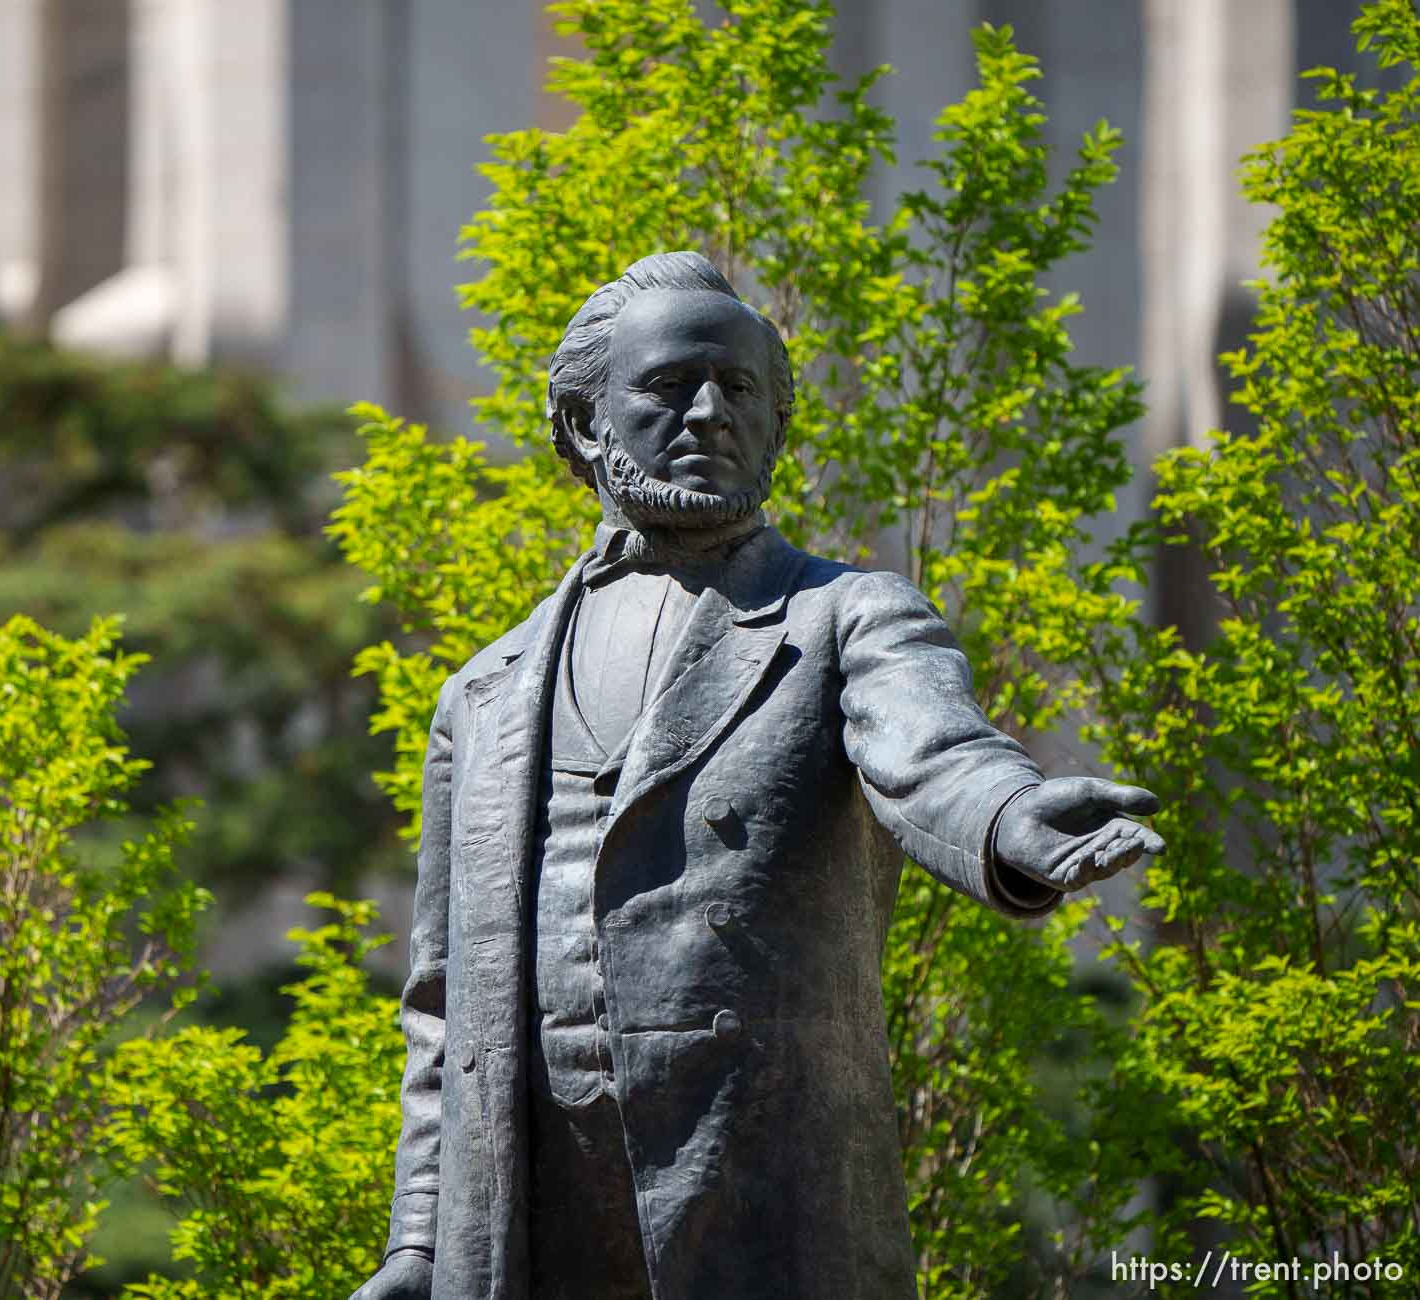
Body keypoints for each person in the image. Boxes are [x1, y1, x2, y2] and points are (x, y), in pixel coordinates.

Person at [350, 251, 1162, 1300]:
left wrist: (1013, 815)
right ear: (584, 425)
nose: (708, 413)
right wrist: (419, 1238)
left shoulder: (845, 617)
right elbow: (441, 1003)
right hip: (524, 1215)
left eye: (739, 389)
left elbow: (932, 756)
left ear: (777, 425)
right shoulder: (485, 692)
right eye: (668, 385)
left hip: (753, 1185)